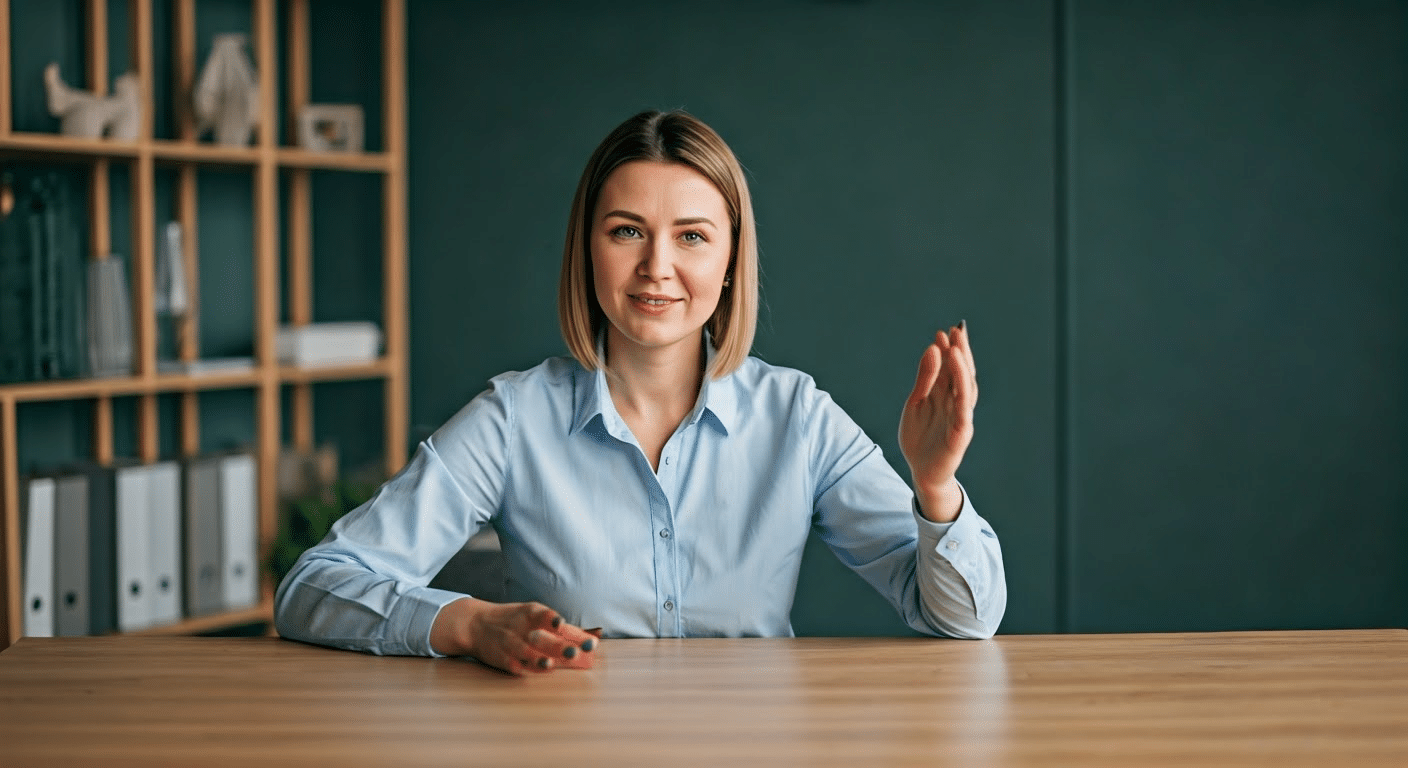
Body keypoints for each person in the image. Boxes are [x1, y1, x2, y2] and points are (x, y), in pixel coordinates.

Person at [274, 110, 1006, 675]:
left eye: (691, 237)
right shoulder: (513, 418)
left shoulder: (798, 418)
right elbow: (316, 587)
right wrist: (469, 624)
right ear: (587, 249)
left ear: (729, 263)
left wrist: (935, 486)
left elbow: (963, 620)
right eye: (627, 231)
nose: (657, 266)